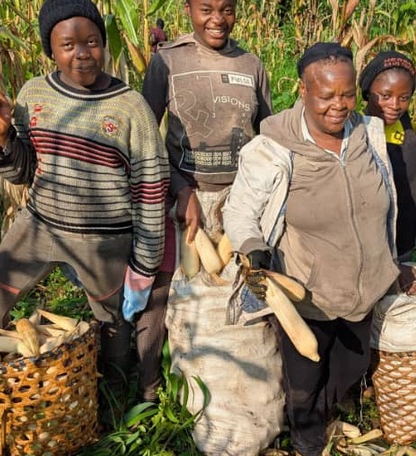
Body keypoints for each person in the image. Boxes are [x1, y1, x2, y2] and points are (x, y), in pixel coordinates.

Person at [0, 0, 170, 417]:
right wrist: (3, 137)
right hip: (40, 225)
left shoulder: (130, 107)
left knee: (113, 326)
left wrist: (145, 263)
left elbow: (150, 188)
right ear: (51, 50)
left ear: (104, 44)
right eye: (68, 45)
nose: (82, 53)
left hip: (104, 240)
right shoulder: (34, 95)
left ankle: (112, 394)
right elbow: (23, 171)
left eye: (92, 42)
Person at [223, 42, 400, 456]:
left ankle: (323, 415)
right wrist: (252, 246)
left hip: (364, 286)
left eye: (347, 93)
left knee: (351, 367)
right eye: (326, 96)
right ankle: (306, 439)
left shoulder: (368, 132)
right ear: (302, 91)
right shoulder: (274, 147)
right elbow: (240, 210)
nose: (338, 105)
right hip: (307, 290)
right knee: (304, 381)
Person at [136, 0, 272, 403]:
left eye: (227, 9)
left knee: (244, 287)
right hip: (186, 198)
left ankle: (240, 387)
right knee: (165, 291)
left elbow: (264, 136)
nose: (217, 20)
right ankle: (148, 387)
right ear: (188, 9)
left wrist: (253, 198)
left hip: (240, 200)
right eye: (206, 9)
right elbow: (146, 138)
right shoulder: (167, 63)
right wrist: (180, 190)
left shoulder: (251, 65)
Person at [359, 50, 416, 261]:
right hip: (371, 247)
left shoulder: (405, 126)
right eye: (385, 96)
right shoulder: (357, 131)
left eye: (404, 98)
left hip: (404, 240)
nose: (395, 105)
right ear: (368, 92)